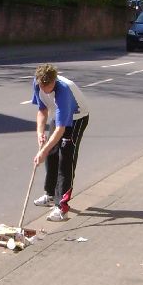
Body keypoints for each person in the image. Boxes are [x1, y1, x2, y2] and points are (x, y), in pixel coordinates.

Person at [31, 63, 90, 222]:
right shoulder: (38, 83)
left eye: (47, 86)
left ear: (54, 81)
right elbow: (42, 110)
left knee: (65, 159)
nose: (44, 90)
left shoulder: (63, 91)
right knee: (51, 154)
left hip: (77, 118)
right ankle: (50, 194)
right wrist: (40, 132)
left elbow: (61, 129)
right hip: (58, 116)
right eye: (41, 86)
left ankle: (62, 207)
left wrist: (41, 152)